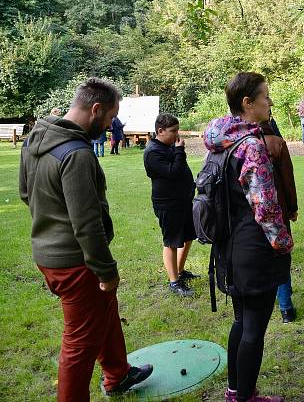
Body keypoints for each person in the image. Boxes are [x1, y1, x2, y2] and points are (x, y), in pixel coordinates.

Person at [19, 77, 153, 400]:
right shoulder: (76, 153)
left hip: (46, 254)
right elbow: (87, 225)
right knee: (79, 344)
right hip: (76, 263)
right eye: (109, 119)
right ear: (95, 109)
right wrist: (106, 271)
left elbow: (26, 194)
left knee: (105, 308)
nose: (110, 127)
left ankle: (117, 374)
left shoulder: (34, 140)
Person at [204, 72, 293, 402]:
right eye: (265, 96)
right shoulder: (252, 147)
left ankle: (235, 392)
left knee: (242, 322)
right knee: (254, 328)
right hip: (255, 248)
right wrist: (283, 242)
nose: (270, 102)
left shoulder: (222, 139)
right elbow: (266, 208)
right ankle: (245, 398)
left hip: (230, 245)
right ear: (248, 103)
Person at [143, 113, 198, 297]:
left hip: (182, 201)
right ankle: (174, 282)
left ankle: (180, 272)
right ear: (160, 131)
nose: (177, 134)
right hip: (168, 204)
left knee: (188, 236)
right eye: (173, 131)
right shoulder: (153, 151)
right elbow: (173, 172)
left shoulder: (168, 146)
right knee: (172, 242)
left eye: (177, 130)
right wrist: (179, 151)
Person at [260, 112, 299, 323]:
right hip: (278, 210)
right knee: (281, 255)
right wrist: (292, 208)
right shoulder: (277, 143)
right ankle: (286, 307)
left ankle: (278, 301)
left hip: (252, 214)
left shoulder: (238, 144)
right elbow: (288, 180)